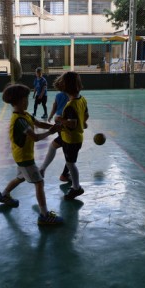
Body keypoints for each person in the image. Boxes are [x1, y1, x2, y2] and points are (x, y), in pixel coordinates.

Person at [0, 83, 63, 225]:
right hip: (24, 158)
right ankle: (44, 215)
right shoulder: (20, 120)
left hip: (21, 156)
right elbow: (35, 137)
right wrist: (51, 132)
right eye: (26, 98)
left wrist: (55, 127)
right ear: (21, 100)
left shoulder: (25, 115)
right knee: (39, 182)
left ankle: (3, 195)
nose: (28, 101)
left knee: (21, 177)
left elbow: (38, 123)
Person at [53, 72, 89, 200]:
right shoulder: (82, 99)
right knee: (70, 163)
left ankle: (76, 188)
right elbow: (86, 115)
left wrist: (60, 119)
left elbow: (72, 124)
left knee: (70, 164)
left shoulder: (70, 105)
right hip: (76, 138)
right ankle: (75, 186)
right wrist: (83, 122)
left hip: (71, 139)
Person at [40, 91, 71, 182]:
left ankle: (44, 168)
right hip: (65, 120)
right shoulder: (71, 95)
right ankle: (64, 175)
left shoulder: (58, 95)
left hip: (58, 119)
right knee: (68, 149)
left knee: (62, 145)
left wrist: (50, 116)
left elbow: (54, 107)